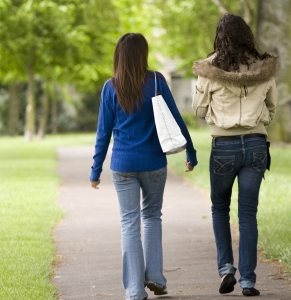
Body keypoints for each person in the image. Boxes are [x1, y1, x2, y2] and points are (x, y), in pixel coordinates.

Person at [90, 33, 198, 300]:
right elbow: (176, 119)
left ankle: (135, 291)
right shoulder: (157, 82)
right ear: (143, 54)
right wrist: (191, 151)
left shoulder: (110, 87)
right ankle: (156, 277)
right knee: (151, 216)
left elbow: (103, 133)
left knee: (129, 222)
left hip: (122, 165)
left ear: (119, 56)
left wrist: (95, 171)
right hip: (153, 164)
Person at [192, 13, 278, 297]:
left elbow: (199, 110)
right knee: (248, 213)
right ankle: (249, 281)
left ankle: (227, 268)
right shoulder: (264, 67)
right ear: (246, 35)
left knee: (219, 209)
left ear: (220, 36)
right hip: (255, 145)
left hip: (223, 147)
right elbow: (272, 108)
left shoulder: (208, 69)